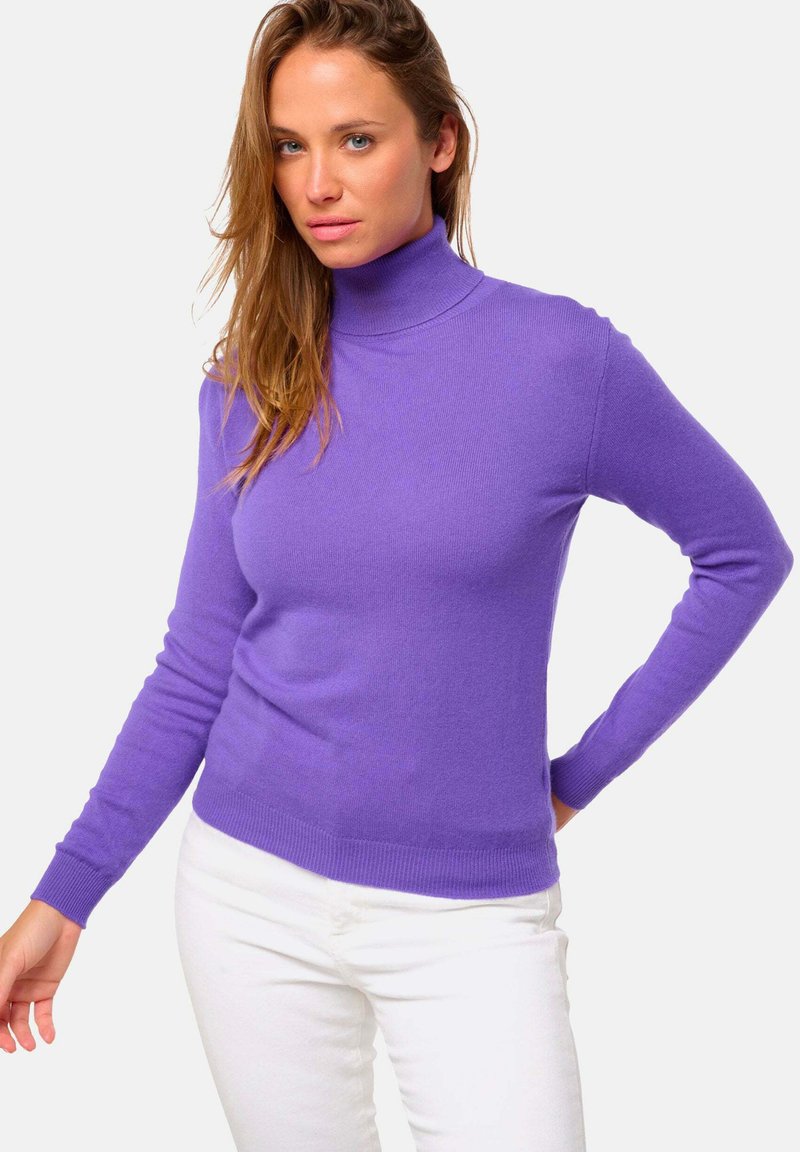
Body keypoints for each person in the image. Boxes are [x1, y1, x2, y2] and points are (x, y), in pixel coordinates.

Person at [0, 1, 793, 1148]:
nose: (318, 183)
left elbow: (741, 555)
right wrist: (64, 895)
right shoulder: (250, 377)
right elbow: (196, 661)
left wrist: (574, 778)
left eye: (357, 139)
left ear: (439, 142)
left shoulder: (560, 359)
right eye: (288, 146)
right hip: (245, 898)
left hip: (471, 918)